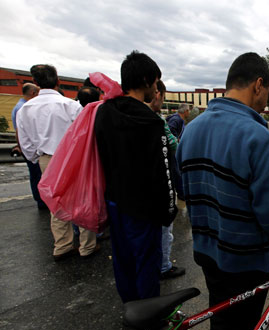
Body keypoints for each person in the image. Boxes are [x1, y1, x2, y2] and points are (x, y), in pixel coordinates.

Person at [177, 52, 269, 330]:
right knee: (236, 319)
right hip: (245, 257)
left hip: (207, 247)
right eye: (268, 91)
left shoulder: (191, 129)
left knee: (222, 315)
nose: (267, 99)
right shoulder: (259, 138)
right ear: (258, 85)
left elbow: (187, 189)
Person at [95, 51, 177, 303]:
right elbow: (163, 172)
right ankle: (149, 315)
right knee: (146, 261)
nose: (156, 88)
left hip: (116, 201)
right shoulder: (150, 121)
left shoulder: (103, 113)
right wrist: (170, 209)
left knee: (123, 258)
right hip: (144, 208)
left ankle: (130, 306)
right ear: (144, 80)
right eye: (155, 82)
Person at [16, 64, 98, 261]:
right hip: (73, 157)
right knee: (82, 199)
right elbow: (86, 134)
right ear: (58, 81)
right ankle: (87, 246)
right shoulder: (70, 106)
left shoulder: (25, 109)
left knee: (56, 201)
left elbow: (25, 142)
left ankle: (62, 245)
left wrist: (36, 157)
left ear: (35, 83)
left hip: (47, 158)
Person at [148, 79, 185, 280]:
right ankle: (163, 266)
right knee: (164, 230)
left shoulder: (115, 115)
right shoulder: (156, 121)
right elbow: (175, 147)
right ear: (157, 94)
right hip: (159, 187)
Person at [10, 82, 46, 210]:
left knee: (36, 175)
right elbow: (20, 132)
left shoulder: (20, 106)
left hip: (28, 147)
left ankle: (41, 199)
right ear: (32, 93)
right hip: (31, 148)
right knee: (37, 175)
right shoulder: (24, 108)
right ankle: (41, 201)